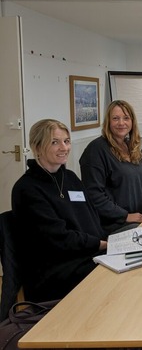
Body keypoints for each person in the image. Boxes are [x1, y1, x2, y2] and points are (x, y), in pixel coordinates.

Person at [12, 119, 107, 301]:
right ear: (37, 147)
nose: (64, 148)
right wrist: (101, 244)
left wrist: (108, 243)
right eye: (55, 142)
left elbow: (92, 218)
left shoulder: (69, 177)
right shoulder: (27, 188)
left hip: (84, 254)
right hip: (54, 270)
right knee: (112, 275)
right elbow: (58, 238)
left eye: (66, 141)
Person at [80, 100, 142, 234]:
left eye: (126, 118)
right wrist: (125, 216)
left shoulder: (132, 147)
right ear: (108, 122)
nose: (121, 123)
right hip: (115, 225)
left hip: (139, 218)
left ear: (132, 121)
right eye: (115, 118)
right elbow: (94, 195)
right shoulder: (96, 150)